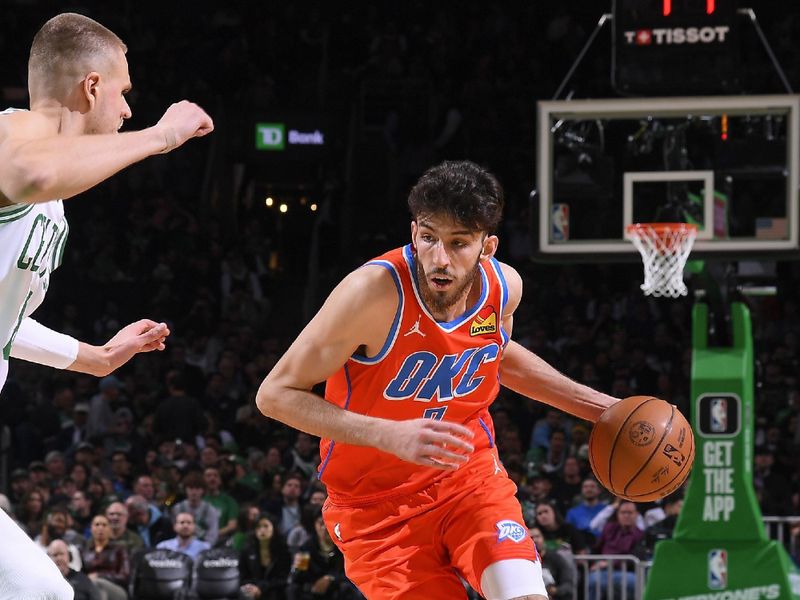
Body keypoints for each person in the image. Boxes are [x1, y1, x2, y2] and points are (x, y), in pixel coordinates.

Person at [256, 160, 618, 600]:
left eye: (459, 243)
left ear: (488, 247)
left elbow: (495, 356)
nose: (440, 259)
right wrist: (387, 434)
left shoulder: (505, 289)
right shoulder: (371, 294)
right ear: (414, 234)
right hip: (375, 510)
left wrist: (603, 409)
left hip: (469, 480)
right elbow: (275, 395)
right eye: (429, 238)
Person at [0, 11, 212, 600]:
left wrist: (92, 357)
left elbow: (1, 325)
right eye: (122, 93)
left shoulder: (54, 203)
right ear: (91, 87)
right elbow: (34, 169)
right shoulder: (11, 135)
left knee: (44, 593)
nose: (126, 111)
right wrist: (160, 137)